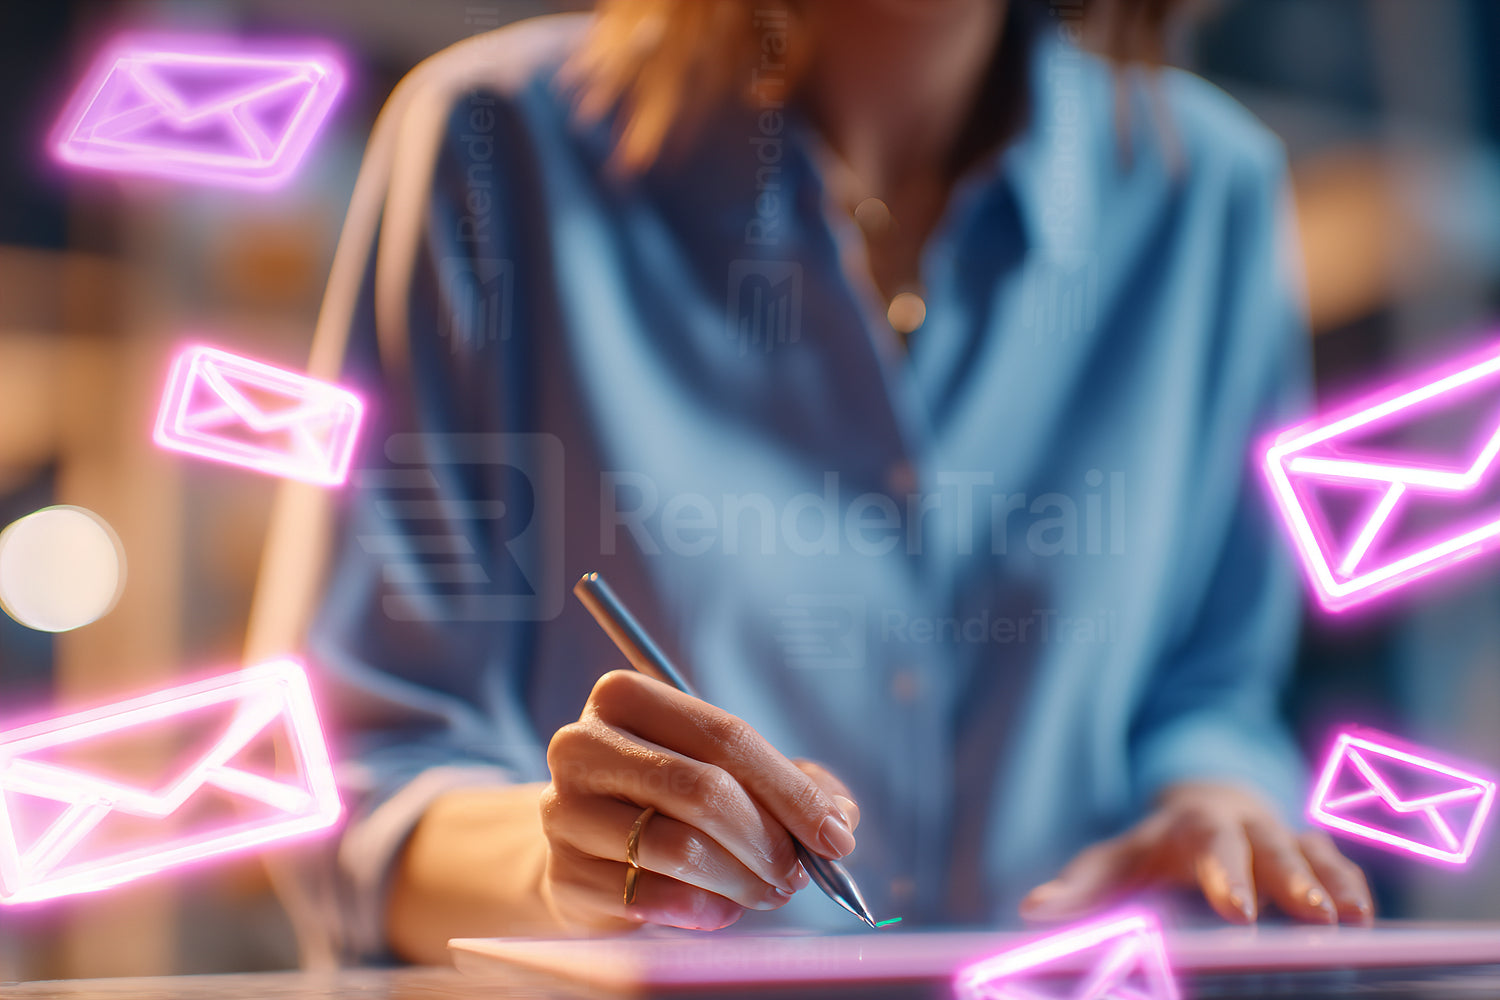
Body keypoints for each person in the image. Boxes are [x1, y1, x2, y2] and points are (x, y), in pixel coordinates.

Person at [302, 0, 1374, 965]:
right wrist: (567, 861)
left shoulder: (1210, 195)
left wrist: (1216, 802)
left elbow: (1209, 691)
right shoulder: (492, 148)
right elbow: (358, 787)